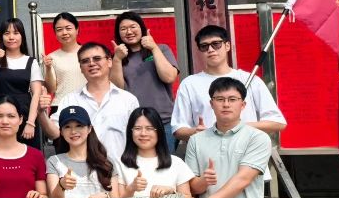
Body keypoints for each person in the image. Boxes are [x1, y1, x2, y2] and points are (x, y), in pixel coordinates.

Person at [171, 25, 287, 143]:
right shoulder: (189, 84)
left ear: (227, 46)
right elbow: (178, 128)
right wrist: (198, 132)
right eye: (204, 46)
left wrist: (238, 127)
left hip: (246, 148)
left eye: (216, 44)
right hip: (208, 149)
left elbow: (277, 122)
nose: (210, 50)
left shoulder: (251, 80)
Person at [39, 42, 140, 162]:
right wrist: (41, 112)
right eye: (85, 61)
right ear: (81, 68)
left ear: (109, 62)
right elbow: (54, 133)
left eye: (97, 58)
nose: (91, 63)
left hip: (122, 168)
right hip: (84, 170)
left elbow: (139, 138)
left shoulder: (128, 99)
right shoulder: (70, 100)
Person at [109, 11, 180, 150]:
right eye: (123, 29)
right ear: (118, 34)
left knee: (165, 161)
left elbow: (169, 77)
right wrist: (117, 59)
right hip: (133, 123)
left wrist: (153, 48)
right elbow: (117, 90)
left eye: (133, 27)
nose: (129, 32)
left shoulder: (161, 49)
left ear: (141, 28)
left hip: (163, 121)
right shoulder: (116, 58)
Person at [0, 19, 45, 147]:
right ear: (1, 37)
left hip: (24, 115)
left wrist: (31, 122)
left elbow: (36, 94)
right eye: (7, 33)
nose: (11, 37)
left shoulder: (31, 62)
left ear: (22, 36)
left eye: (16, 33)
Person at [42, 11, 85, 108]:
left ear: (77, 29)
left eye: (68, 28)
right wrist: (48, 68)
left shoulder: (88, 53)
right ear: (55, 33)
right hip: (61, 105)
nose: (64, 33)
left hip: (87, 104)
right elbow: (51, 89)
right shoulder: (51, 57)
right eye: (59, 30)